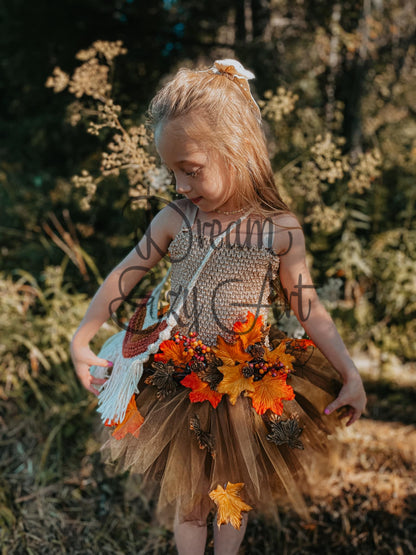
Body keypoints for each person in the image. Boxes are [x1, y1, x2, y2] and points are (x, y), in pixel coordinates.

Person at [70, 59, 367, 555]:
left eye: (191, 171)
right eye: (173, 173)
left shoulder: (278, 229)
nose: (181, 186)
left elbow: (309, 308)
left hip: (246, 381)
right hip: (180, 380)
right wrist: (82, 337)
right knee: (191, 498)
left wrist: (349, 373)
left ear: (236, 149)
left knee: (231, 493)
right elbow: (124, 275)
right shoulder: (175, 219)